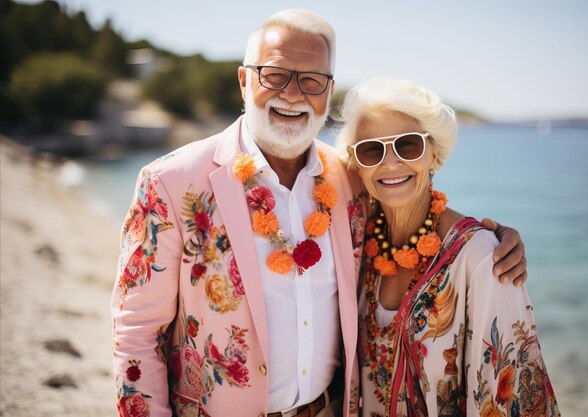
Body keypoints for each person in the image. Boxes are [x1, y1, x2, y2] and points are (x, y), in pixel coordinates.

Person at [111, 10, 528, 417]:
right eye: (274, 75)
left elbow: (411, 215)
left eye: (311, 80)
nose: (292, 94)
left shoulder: (349, 178)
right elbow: (136, 334)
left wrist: (487, 239)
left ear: (328, 91)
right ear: (244, 81)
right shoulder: (169, 182)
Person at [335, 77, 559, 416]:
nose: (391, 162)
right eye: (372, 149)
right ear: (357, 164)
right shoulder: (356, 243)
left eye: (408, 145)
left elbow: (509, 395)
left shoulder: (482, 256)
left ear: (432, 152)